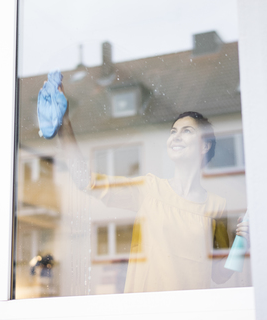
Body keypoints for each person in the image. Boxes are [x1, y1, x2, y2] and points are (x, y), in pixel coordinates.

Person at [53, 85, 249, 293]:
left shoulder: (216, 206)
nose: (176, 136)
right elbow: (87, 181)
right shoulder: (149, 189)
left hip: (190, 311)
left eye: (187, 131)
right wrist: (64, 125)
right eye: (173, 132)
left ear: (204, 146)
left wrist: (242, 242)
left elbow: (219, 275)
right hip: (148, 309)